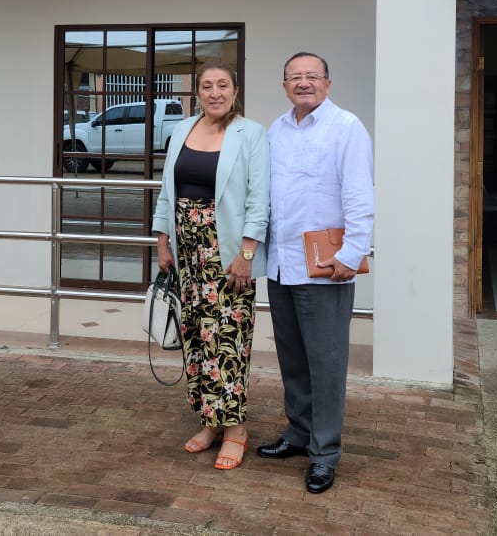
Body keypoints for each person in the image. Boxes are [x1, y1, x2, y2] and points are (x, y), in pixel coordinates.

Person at [257, 52, 374, 494]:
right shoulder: (276, 129)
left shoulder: (346, 127)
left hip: (326, 268)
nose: (303, 83)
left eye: (312, 76)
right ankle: (299, 433)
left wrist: (352, 253)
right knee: (293, 360)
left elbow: (360, 195)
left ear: (327, 82)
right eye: (295, 77)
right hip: (282, 264)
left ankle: (325, 454)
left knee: (326, 365)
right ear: (284, 85)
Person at [151, 61, 270, 471]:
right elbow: (167, 191)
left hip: (228, 252)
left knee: (228, 339)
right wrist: (162, 240)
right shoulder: (182, 129)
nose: (215, 92)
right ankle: (209, 420)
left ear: (235, 90)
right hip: (187, 251)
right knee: (198, 338)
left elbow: (259, 198)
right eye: (207, 86)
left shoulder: (251, 133)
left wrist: (247, 253)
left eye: (222, 85)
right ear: (197, 92)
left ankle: (235, 428)